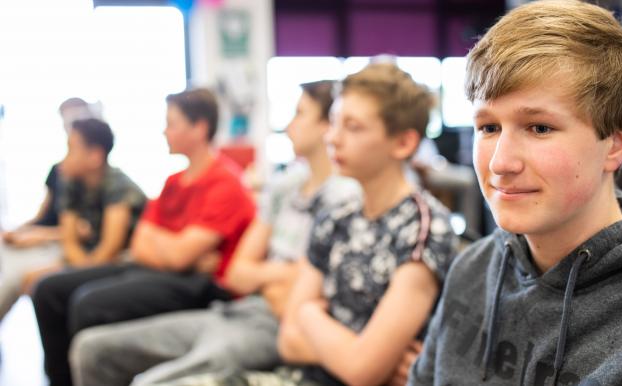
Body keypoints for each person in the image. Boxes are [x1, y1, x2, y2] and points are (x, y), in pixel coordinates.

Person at [408, 1, 622, 385]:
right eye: (488, 127)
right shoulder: (473, 268)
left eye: (539, 128)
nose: (500, 163)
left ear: (616, 144)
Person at [149, 63, 459, 386]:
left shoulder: (424, 228)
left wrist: (310, 315)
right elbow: (289, 341)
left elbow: (361, 369)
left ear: (403, 143)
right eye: (335, 123)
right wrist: (349, 345)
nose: (333, 138)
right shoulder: (337, 217)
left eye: (353, 127)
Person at [68, 80, 359, 386]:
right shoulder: (285, 187)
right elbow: (236, 271)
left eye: (300, 114)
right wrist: (280, 277)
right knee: (90, 347)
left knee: (141, 370)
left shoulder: (344, 199)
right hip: (237, 309)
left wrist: (264, 276)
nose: (288, 126)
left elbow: (300, 290)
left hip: (265, 321)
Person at [32, 88, 256, 386]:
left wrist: (167, 247)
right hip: (157, 269)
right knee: (48, 289)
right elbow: (142, 243)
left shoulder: (225, 184)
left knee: (89, 304)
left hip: (199, 286)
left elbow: (177, 256)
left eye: (172, 123)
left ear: (199, 128)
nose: (164, 131)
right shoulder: (173, 182)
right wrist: (175, 250)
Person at [0, 118, 146, 322]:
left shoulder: (118, 185)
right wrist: (76, 265)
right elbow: (69, 240)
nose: (65, 159)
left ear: (95, 155)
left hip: (122, 261)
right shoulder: (71, 182)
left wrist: (73, 271)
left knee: (38, 282)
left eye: (71, 149)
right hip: (86, 256)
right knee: (21, 272)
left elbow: (109, 250)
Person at [1, 97, 99, 247]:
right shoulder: (57, 169)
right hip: (47, 236)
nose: (70, 125)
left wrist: (40, 235)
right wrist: (19, 231)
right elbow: (42, 214)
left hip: (56, 243)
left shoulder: (95, 176)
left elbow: (84, 229)